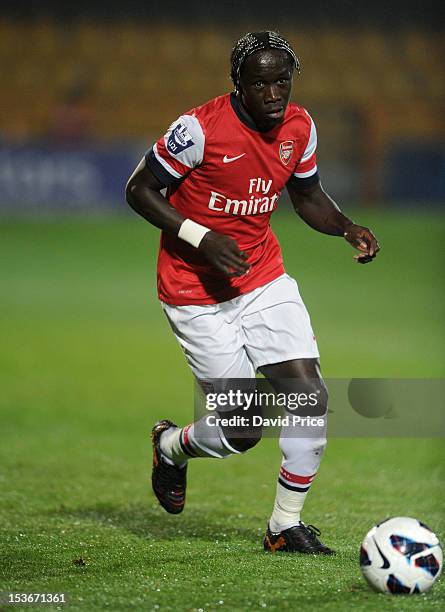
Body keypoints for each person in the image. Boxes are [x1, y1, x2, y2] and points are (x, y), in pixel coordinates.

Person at [125, 31, 379, 554]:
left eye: (281, 81)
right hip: (194, 291)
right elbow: (139, 190)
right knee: (242, 431)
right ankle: (171, 446)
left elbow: (306, 195)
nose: (272, 93)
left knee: (310, 397)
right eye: (259, 83)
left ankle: (284, 526)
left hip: (262, 278)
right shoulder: (197, 129)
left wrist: (347, 226)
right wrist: (200, 235)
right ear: (237, 84)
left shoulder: (300, 127)